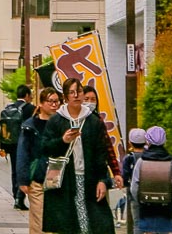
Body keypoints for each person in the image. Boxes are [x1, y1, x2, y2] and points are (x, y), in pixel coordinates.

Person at [41, 77, 115, 234]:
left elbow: (100, 153)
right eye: (71, 92)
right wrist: (63, 140)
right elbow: (45, 147)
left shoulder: (93, 121)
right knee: (68, 224)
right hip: (65, 179)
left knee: (93, 223)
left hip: (89, 177)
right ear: (65, 97)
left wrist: (103, 180)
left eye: (79, 91)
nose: (76, 95)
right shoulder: (56, 120)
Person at [17, 86, 60, 234]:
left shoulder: (61, 124)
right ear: (41, 104)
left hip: (58, 179)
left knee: (56, 222)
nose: (55, 105)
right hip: (38, 178)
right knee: (39, 221)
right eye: (51, 101)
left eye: (57, 101)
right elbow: (23, 153)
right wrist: (22, 180)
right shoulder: (30, 126)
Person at [130, 126, 172, 234]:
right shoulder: (171, 162)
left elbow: (134, 187)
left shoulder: (142, 161)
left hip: (146, 206)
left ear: (147, 141)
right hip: (165, 205)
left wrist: (140, 201)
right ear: (165, 141)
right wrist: (171, 201)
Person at [83, 85, 123, 189]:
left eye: (93, 99)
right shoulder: (74, 120)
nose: (90, 102)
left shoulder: (98, 121)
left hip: (98, 171)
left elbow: (108, 147)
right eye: (86, 99)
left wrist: (116, 172)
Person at [2, 84, 35, 210]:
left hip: (10, 143)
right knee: (25, 169)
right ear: (27, 95)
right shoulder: (30, 108)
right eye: (30, 94)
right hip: (24, 144)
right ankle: (19, 198)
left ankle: (16, 195)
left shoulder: (9, 107)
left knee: (14, 170)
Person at [119, 128, 147, 226]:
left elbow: (125, 176)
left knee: (138, 223)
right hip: (150, 192)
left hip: (134, 194)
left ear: (130, 142)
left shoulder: (129, 158)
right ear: (146, 142)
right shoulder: (149, 155)